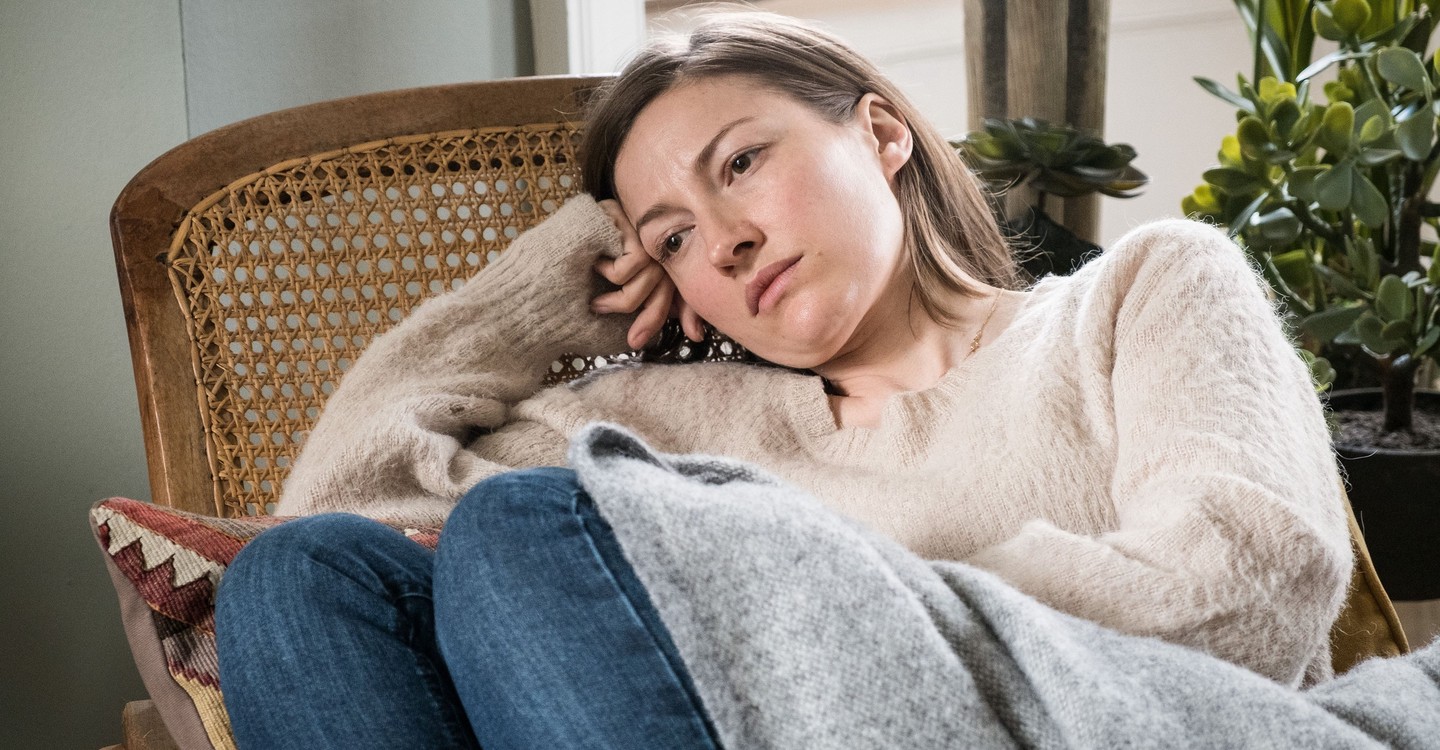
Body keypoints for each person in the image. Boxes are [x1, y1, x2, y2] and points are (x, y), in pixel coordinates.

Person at [214, 9, 1367, 749]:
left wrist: (805, 607)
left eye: (743, 163)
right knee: (300, 576)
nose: (722, 243)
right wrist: (564, 276)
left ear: (881, 134)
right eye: (670, 238)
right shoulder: (659, 423)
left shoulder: (1140, 297)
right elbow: (340, 513)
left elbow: (1242, 587)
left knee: (523, 527)